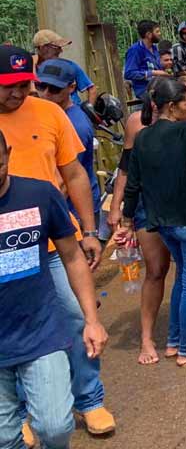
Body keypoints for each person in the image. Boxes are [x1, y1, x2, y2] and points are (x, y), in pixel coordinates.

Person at [0, 46, 111, 434]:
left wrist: (90, 228)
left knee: (79, 314)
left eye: (23, 84)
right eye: (7, 86)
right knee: (12, 325)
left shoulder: (49, 113)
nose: (17, 93)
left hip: (53, 243)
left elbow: (76, 174)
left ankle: (89, 398)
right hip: (6, 246)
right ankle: (22, 412)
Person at [120, 78, 186, 365]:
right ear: (172, 105)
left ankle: (175, 341)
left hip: (161, 221)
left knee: (183, 277)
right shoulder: (184, 130)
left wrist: (127, 219)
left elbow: (133, 184)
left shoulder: (143, 137)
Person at [34, 61, 101, 241]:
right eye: (41, 86)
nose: (45, 94)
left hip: (73, 212)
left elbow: (65, 180)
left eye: (54, 89)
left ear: (72, 87)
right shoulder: (53, 115)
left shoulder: (74, 125)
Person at [32, 29, 97, 104]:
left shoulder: (69, 66)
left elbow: (92, 89)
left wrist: (89, 111)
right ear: (43, 48)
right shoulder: (31, 67)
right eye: (57, 47)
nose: (60, 51)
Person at [124, 20, 167, 98]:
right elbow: (129, 73)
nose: (159, 34)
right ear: (149, 35)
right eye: (157, 32)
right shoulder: (135, 50)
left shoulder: (154, 48)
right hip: (144, 90)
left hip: (159, 86)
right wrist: (153, 73)